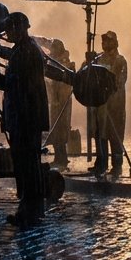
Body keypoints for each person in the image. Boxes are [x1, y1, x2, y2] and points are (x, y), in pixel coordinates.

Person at [0, 12, 48, 228]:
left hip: (25, 119)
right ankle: (30, 209)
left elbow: (13, 85)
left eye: (10, 30)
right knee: (28, 165)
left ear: (19, 29)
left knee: (27, 166)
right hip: (25, 118)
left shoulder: (25, 52)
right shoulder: (26, 49)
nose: (7, 34)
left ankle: (29, 211)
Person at [88, 30, 128, 177]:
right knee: (100, 134)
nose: (105, 44)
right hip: (100, 106)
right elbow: (86, 75)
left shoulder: (120, 61)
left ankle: (117, 165)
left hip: (114, 105)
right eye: (103, 41)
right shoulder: (98, 59)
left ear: (115, 42)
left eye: (108, 41)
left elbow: (120, 81)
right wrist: (88, 61)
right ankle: (101, 163)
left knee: (115, 136)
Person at [45, 38, 75, 170]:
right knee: (55, 130)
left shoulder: (65, 64)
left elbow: (65, 83)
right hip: (54, 102)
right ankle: (58, 156)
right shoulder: (52, 61)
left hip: (62, 101)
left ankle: (62, 157)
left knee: (62, 129)